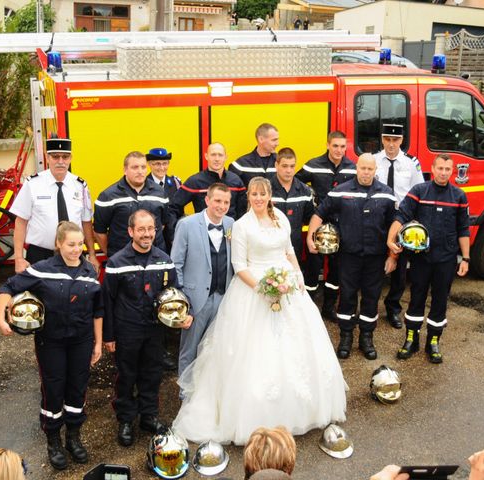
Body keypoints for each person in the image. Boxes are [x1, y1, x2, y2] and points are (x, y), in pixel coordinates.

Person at [172, 177, 347, 445]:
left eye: (262, 194)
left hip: (288, 287)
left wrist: (298, 276)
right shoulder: (241, 226)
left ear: (269, 195)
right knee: (252, 352)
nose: (258, 198)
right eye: (253, 194)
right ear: (249, 197)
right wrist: (264, 289)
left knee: (298, 347)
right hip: (254, 291)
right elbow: (240, 265)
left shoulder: (280, 218)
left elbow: (289, 250)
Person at [0, 221, 103, 470]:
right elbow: (8, 287)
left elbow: (98, 310)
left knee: (77, 388)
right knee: (54, 389)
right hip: (51, 341)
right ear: (58, 244)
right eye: (71, 244)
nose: (76, 249)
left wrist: (98, 343)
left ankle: (73, 437)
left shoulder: (90, 272)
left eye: (80, 244)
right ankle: (53, 440)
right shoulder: (42, 270)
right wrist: (1, 318)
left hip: (81, 340)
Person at [102, 209, 192, 447]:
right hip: (127, 330)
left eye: (150, 228)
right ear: (130, 231)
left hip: (155, 330)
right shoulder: (116, 263)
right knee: (126, 376)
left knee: (152, 373)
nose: (146, 234)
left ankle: (149, 416)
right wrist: (108, 336)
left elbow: (174, 292)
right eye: (141, 229)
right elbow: (107, 302)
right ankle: (126, 420)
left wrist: (184, 312)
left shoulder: (164, 259)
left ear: (157, 230)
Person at [307, 154, 397, 360]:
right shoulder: (341, 191)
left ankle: (366, 338)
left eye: (370, 169)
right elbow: (319, 213)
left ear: (375, 170)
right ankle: (345, 337)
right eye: (363, 168)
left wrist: (393, 256)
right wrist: (311, 238)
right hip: (348, 256)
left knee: (371, 297)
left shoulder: (387, 194)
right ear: (357, 168)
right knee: (346, 296)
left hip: (375, 257)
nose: (366, 172)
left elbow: (395, 225)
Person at [387, 153, 470, 363]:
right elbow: (401, 216)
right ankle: (411, 339)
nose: (443, 173)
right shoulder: (419, 191)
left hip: (446, 259)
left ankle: (433, 342)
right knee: (416, 299)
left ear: (452, 171)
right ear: (432, 169)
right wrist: (391, 240)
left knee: (440, 301)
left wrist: (466, 259)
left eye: (447, 169)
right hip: (421, 259)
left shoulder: (459, 196)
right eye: (440, 168)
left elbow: (463, 229)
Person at [170, 183, 234, 376]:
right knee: (189, 349)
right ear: (207, 200)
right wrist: (182, 302)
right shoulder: (187, 224)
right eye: (217, 201)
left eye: (226, 202)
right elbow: (176, 264)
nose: (221, 206)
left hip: (224, 297)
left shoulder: (232, 224)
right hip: (195, 299)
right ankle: (185, 394)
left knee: (217, 347)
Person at [10, 136, 98, 273]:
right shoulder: (32, 184)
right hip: (40, 255)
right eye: (55, 157)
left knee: (73, 293)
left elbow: (86, 222)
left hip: (73, 255)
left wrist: (92, 254)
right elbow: (20, 222)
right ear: (47, 157)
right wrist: (18, 258)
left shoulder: (80, 186)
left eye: (65, 157)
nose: (61, 162)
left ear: (70, 158)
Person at [295, 130, 357, 318]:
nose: (339, 150)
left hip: (342, 226)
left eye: (342, 147)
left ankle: (329, 307)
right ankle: (309, 308)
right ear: (328, 145)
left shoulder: (352, 167)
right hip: (319, 225)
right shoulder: (313, 165)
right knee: (313, 269)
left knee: (337, 270)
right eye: (335, 146)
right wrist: (310, 199)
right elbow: (296, 183)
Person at [374, 124, 425, 329]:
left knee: (400, 269)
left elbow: (419, 191)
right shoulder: (374, 160)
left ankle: (393, 308)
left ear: (401, 140)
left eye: (395, 140)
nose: (391, 144)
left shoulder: (411, 163)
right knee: (375, 264)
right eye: (387, 139)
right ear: (382, 139)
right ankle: (371, 307)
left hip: (402, 217)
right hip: (378, 217)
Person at [94, 151, 174, 258]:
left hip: (155, 259)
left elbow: (162, 225)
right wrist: (114, 256)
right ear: (125, 170)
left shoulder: (160, 193)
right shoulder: (108, 196)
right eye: (135, 167)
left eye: (143, 167)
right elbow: (99, 232)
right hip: (122, 261)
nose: (140, 171)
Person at [270, 148, 315, 286]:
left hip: (294, 249)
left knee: (291, 286)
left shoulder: (304, 191)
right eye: (284, 166)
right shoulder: (265, 189)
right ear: (276, 165)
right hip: (269, 248)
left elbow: (311, 217)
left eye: (292, 166)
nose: (289, 170)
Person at [170, 142, 246, 219]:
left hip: (230, 229)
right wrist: (179, 227)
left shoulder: (236, 181)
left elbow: (243, 212)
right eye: (213, 155)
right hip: (202, 230)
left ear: (225, 157)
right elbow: (173, 207)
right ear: (206, 156)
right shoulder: (195, 182)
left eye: (220, 155)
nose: (217, 159)